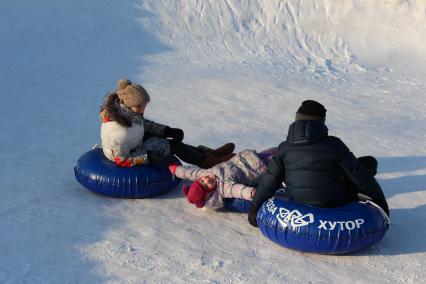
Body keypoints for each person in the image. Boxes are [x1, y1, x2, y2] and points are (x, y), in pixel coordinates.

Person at [248, 100, 389, 227]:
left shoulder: (284, 147)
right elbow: (361, 178)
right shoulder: (334, 144)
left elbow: (269, 181)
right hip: (333, 201)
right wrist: (382, 206)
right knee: (367, 163)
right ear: (321, 122)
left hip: (297, 199)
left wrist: (254, 210)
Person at [100, 79, 234, 168]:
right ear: (129, 105)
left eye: (144, 106)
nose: (143, 110)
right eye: (140, 106)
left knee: (170, 139)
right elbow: (121, 159)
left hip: (134, 141)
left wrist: (166, 130)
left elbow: (143, 124)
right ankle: (207, 162)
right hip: (129, 153)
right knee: (173, 146)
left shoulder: (129, 112)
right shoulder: (118, 131)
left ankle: (207, 153)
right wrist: (148, 157)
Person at [169, 148, 277, 208]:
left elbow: (190, 172)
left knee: (276, 149)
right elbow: (238, 190)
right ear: (210, 193)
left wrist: (176, 170)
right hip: (258, 168)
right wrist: (252, 193)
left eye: (202, 181)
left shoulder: (204, 173)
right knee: (279, 157)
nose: (206, 180)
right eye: (206, 185)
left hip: (247, 158)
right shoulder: (223, 187)